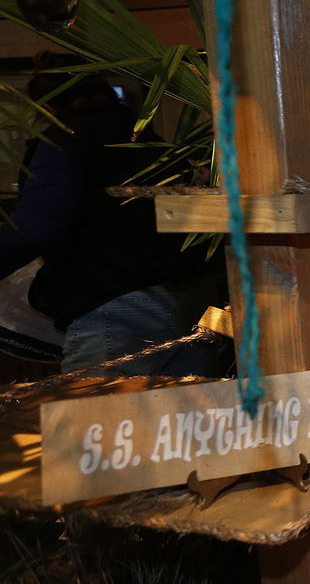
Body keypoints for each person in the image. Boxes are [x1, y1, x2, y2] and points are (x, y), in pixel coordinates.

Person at [0, 65, 224, 377]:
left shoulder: (64, 141)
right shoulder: (145, 136)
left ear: (45, 108)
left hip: (118, 303)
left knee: (95, 420)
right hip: (191, 294)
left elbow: (36, 227)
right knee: (175, 420)